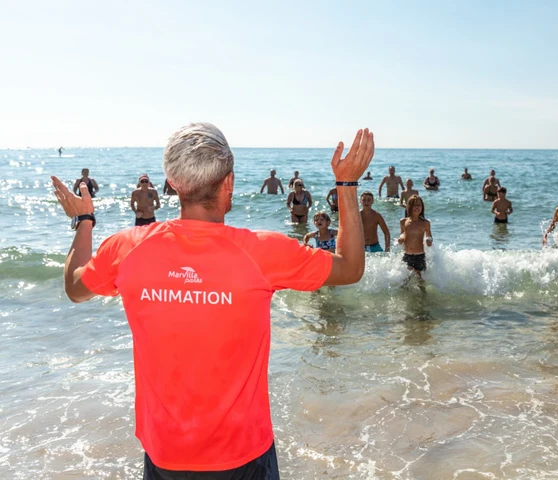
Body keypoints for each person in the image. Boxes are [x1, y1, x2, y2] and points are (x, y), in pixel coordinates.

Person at [49, 123, 374, 479]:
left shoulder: (127, 248)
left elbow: (75, 287)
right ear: (228, 182)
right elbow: (350, 267)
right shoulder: (263, 252)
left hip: (165, 455)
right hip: (244, 455)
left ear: (172, 183)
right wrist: (346, 184)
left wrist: (84, 219)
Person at [398, 195, 432, 277]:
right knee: (406, 279)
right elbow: (403, 233)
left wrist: (429, 240)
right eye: (414, 205)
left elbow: (429, 236)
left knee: (420, 279)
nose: (417, 207)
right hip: (407, 255)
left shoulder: (425, 223)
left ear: (422, 207)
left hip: (419, 256)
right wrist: (401, 238)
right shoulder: (403, 221)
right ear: (409, 207)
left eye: (419, 205)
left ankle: (423, 286)